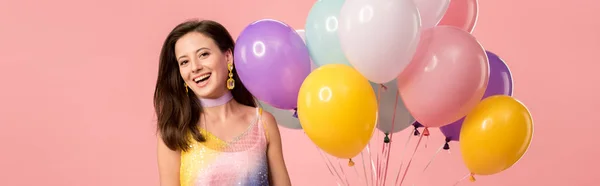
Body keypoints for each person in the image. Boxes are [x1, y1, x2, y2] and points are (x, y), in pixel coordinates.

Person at [154, 19, 291, 186]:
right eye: (184, 62)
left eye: (203, 54)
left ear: (228, 56)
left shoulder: (263, 124)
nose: (195, 67)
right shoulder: (175, 131)